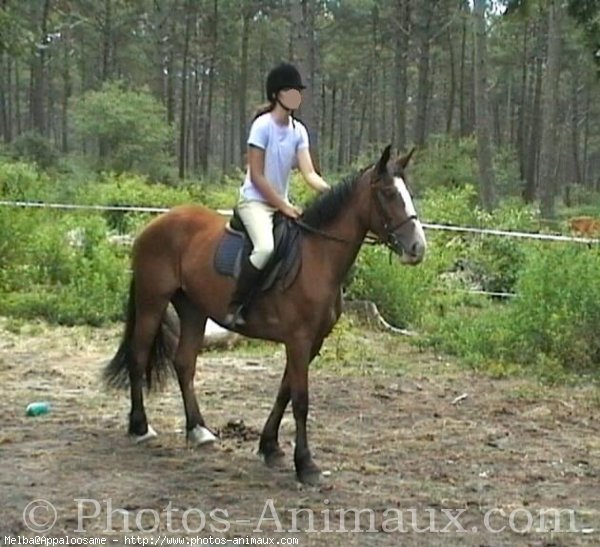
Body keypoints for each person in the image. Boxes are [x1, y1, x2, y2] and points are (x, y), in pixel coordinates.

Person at [223, 62, 330, 328]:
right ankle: (236, 306)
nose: (297, 95)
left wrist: (333, 192)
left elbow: (309, 174)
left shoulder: (299, 131)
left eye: (298, 91)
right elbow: (257, 176)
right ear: (276, 95)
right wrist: (283, 206)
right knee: (265, 249)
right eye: (291, 90)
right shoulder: (262, 126)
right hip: (255, 202)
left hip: (280, 204)